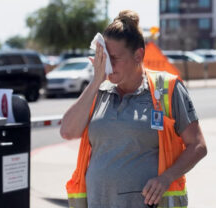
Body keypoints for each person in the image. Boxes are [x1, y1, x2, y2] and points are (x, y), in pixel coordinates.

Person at [60, 10, 207, 208]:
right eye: (104, 58)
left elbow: (198, 145)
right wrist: (96, 81)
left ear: (138, 55)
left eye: (114, 58)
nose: (108, 66)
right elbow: (67, 131)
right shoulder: (99, 90)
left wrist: (166, 178)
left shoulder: (167, 88)